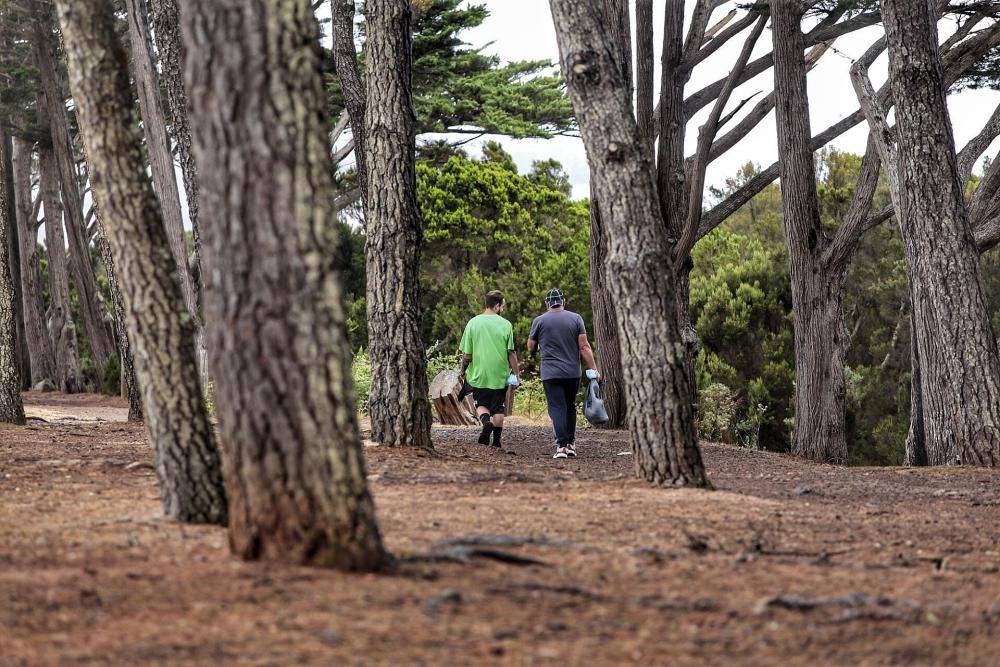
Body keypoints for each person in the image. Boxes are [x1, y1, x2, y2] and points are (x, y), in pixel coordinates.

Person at [527, 288, 599, 459]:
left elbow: (531, 346)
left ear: (547, 304)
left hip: (550, 373)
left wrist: (539, 345)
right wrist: (594, 369)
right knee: (570, 406)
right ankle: (571, 444)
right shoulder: (576, 319)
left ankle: (561, 447)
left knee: (557, 407)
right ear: (563, 302)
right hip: (572, 373)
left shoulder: (539, 321)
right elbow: (584, 347)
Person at [459, 290, 520, 449]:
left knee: (481, 405)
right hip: (499, 375)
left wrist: (462, 370)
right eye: (503, 306)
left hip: (479, 374)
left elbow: (467, 355)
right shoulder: (506, 325)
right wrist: (516, 374)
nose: (503, 309)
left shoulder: (473, 323)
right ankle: (497, 442)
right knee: (498, 407)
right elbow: (511, 353)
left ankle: (486, 422)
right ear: (497, 305)